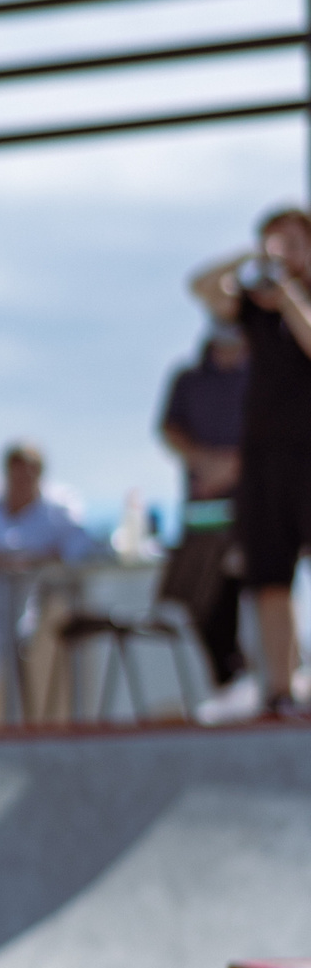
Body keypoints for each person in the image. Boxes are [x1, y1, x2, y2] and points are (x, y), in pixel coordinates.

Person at [190, 208, 311, 713]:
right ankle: (279, 690)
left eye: (292, 242)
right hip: (263, 461)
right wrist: (250, 259)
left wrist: (289, 295)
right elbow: (201, 287)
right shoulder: (254, 306)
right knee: (269, 578)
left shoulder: (291, 301)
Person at [0, 444, 97, 727]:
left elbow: (75, 549)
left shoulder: (59, 508)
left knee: (11, 649)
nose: (22, 482)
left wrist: (28, 562)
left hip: (27, 601)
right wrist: (4, 561)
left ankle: (0, 724)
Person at [155, 322, 248, 687]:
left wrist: (234, 466)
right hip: (204, 502)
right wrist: (203, 461)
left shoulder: (261, 374)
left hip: (253, 501)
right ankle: (223, 677)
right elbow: (169, 428)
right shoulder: (189, 379)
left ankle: (261, 676)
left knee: (255, 582)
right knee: (198, 586)